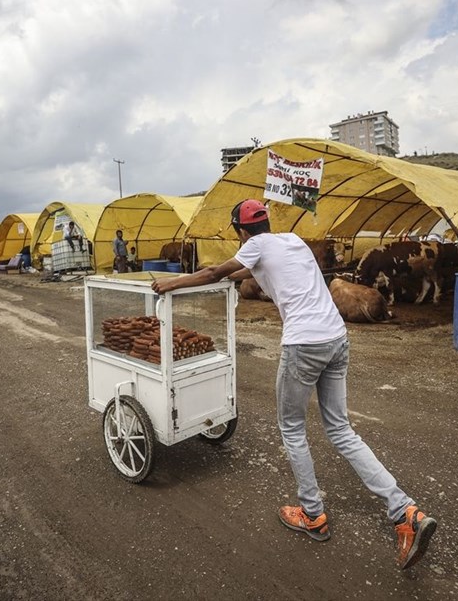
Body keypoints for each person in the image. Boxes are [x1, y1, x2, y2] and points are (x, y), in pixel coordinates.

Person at [151, 200, 437, 569]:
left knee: (292, 427)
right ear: (268, 222)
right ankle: (406, 511)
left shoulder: (252, 247)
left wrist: (169, 283)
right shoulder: (294, 241)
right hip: (337, 338)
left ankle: (312, 514)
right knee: (341, 430)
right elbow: (241, 274)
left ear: (240, 231)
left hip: (304, 344)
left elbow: (212, 273)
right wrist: (227, 275)